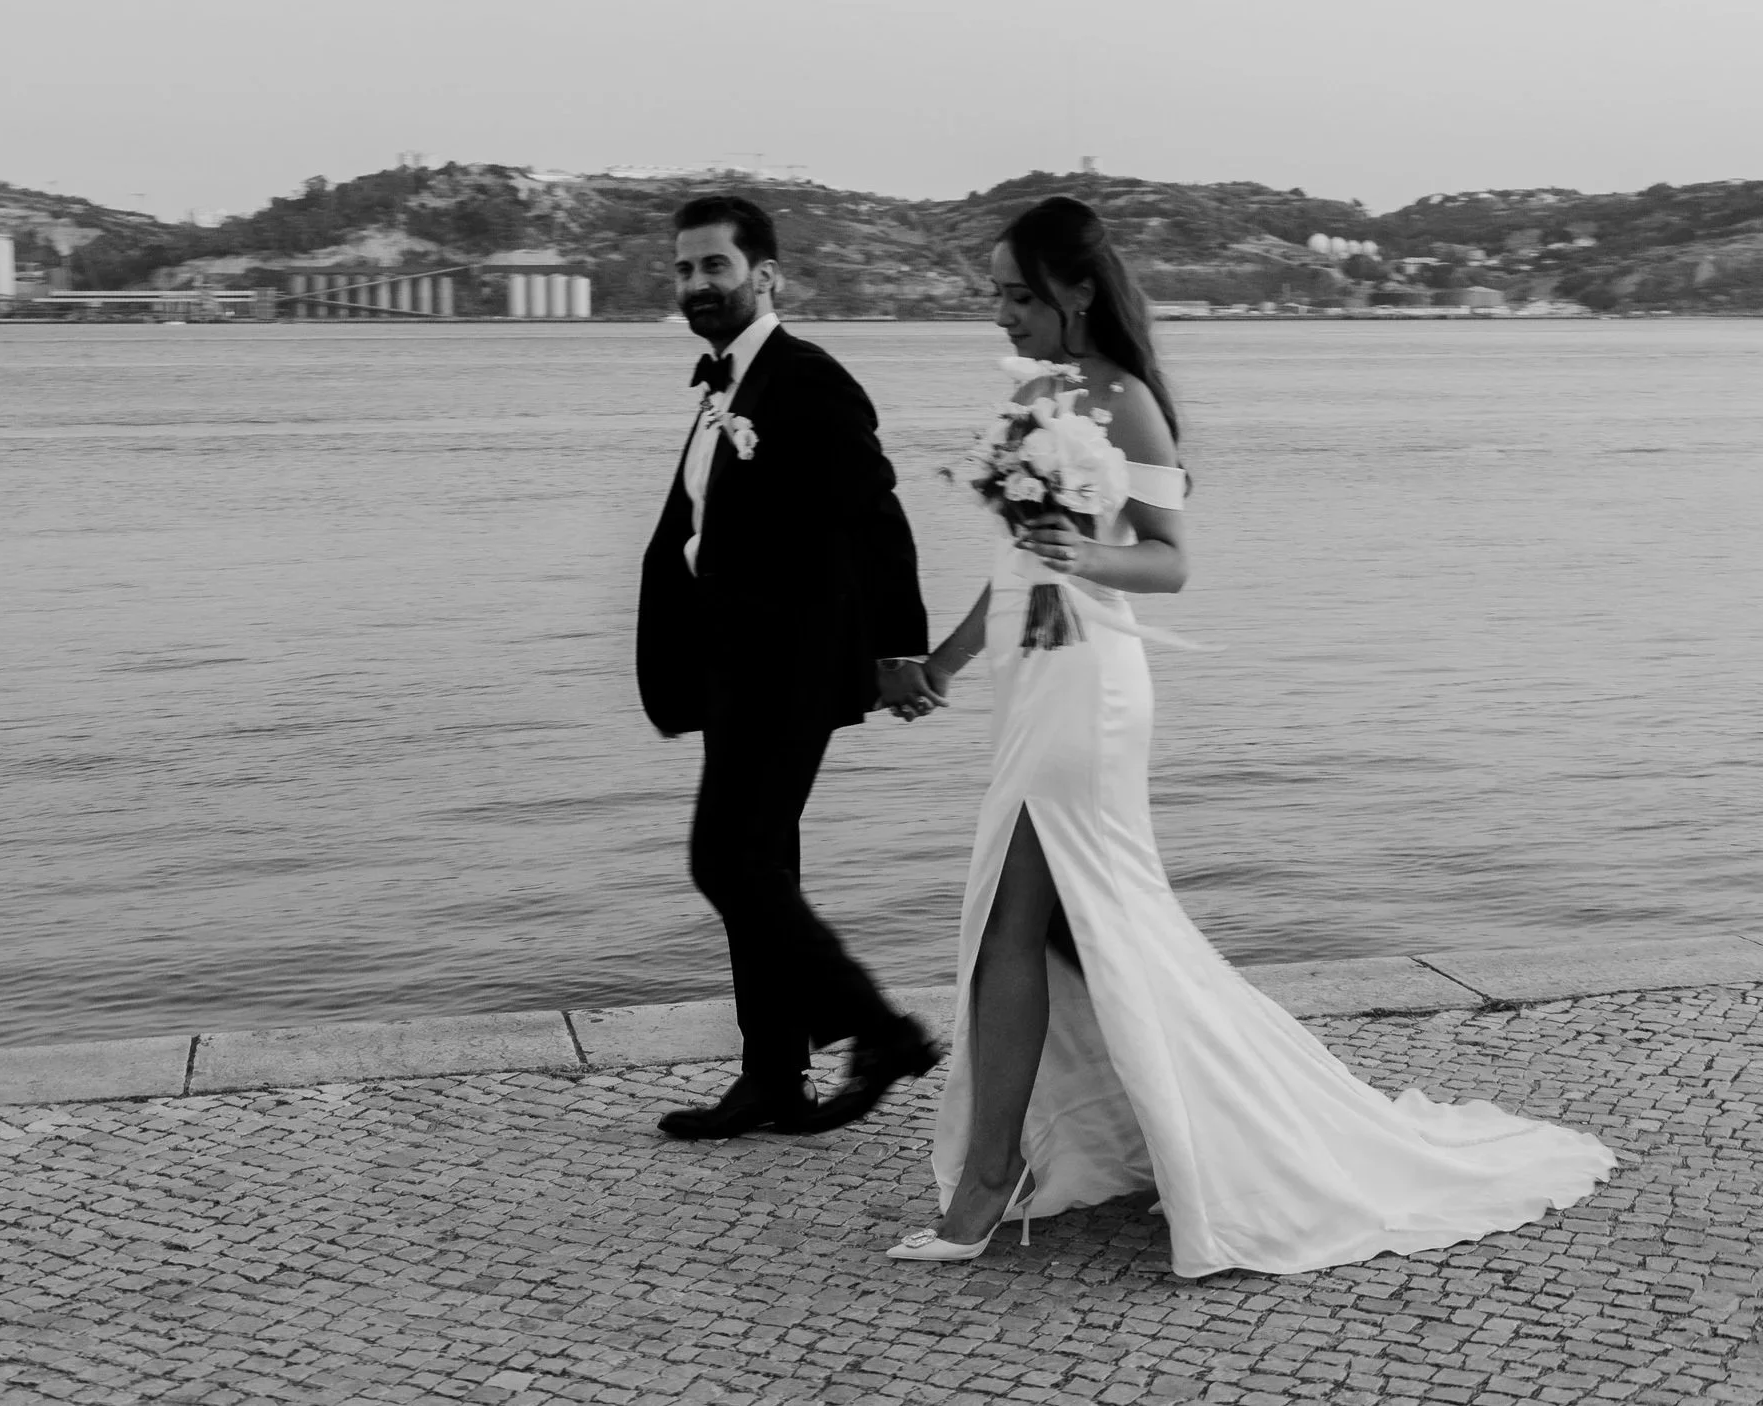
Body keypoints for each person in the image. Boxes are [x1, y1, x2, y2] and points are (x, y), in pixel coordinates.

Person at [886, 196, 1615, 1275]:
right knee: (1081, 933)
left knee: (1007, 923)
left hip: (1089, 686)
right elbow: (1017, 563)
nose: (996, 311)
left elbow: (1168, 558)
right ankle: (1166, 1137)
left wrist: (1081, 557)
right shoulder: (1036, 396)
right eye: (992, 292)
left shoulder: (1125, 401)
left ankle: (987, 1184)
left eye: (1013, 292)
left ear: (1075, 292)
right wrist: (944, 661)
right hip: (1028, 678)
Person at [636, 194, 945, 1140]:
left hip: (788, 667)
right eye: (685, 269)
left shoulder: (806, 379)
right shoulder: (726, 385)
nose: (697, 285)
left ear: (766, 275)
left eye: (715, 267)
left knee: (726, 863)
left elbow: (877, 520)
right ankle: (773, 1075)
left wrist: (900, 650)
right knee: (762, 867)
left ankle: (880, 1029)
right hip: (731, 664)